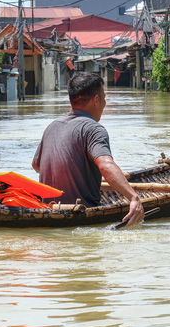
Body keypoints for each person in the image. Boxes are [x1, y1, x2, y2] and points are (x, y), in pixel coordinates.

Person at [32, 72, 145, 227]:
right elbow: (105, 166)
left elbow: (36, 166)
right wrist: (134, 198)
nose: (105, 103)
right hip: (81, 215)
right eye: (104, 98)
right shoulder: (94, 129)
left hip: (47, 210)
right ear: (96, 100)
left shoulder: (52, 126)